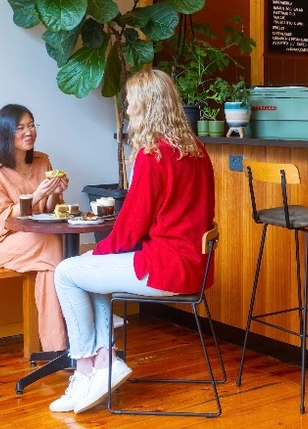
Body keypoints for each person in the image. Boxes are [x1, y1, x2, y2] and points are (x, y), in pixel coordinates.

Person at [50, 69, 215, 414]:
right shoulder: (197, 150)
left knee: (67, 272)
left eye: (130, 105)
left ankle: (84, 370)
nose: (127, 111)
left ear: (146, 107)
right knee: (87, 274)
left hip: (165, 268)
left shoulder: (152, 155)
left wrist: (97, 251)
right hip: (193, 267)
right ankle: (106, 362)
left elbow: (130, 227)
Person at [0, 104, 70, 352]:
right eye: (20, 127)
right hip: (5, 241)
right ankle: (72, 336)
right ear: (5, 133)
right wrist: (36, 194)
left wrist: (54, 192)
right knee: (55, 251)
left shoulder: (43, 160)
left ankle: (58, 347)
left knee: (52, 267)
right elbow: (5, 215)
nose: (29, 131)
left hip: (41, 240)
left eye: (31, 125)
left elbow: (51, 210)